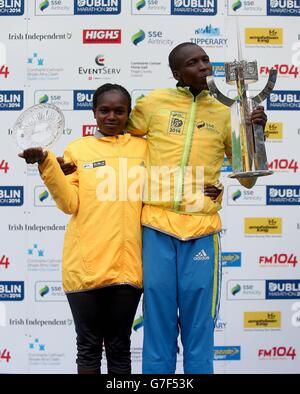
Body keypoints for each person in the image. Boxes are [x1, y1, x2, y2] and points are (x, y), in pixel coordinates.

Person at [126, 42, 267, 374]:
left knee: (199, 327)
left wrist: (253, 132)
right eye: (194, 62)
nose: (204, 66)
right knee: (157, 323)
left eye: (206, 60)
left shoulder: (227, 110)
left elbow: (247, 178)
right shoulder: (154, 103)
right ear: (177, 73)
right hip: (156, 228)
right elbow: (121, 143)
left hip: (202, 229)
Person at [18, 84, 147, 374]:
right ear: (94, 113)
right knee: (87, 348)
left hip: (128, 268)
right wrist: (46, 163)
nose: (111, 116)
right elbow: (69, 203)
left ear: (129, 114)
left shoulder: (144, 148)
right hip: (84, 266)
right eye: (105, 110)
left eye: (119, 111)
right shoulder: (78, 149)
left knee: (119, 347)